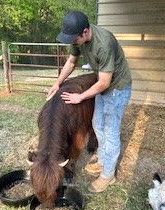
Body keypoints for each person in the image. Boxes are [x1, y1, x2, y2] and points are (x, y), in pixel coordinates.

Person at [47, 11, 132, 193]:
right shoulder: (77, 38)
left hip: (117, 88)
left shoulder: (103, 43)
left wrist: (80, 96)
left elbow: (104, 82)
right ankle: (102, 159)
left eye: (73, 39)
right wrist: (57, 83)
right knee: (97, 124)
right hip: (103, 87)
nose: (72, 42)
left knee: (110, 131)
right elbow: (71, 62)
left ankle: (108, 175)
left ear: (85, 32)